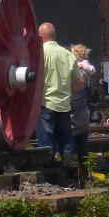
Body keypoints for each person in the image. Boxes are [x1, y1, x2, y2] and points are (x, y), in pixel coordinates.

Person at [36, 23, 81, 162]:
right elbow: (79, 82)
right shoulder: (67, 54)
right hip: (64, 104)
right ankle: (68, 167)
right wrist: (68, 92)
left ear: (40, 36)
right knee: (65, 141)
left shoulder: (40, 53)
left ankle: (48, 168)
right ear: (54, 35)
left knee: (46, 143)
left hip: (46, 103)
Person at [70, 44, 95, 170]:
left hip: (74, 111)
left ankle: (74, 172)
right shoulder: (86, 70)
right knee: (82, 145)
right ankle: (83, 172)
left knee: (73, 145)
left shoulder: (79, 70)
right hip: (83, 111)